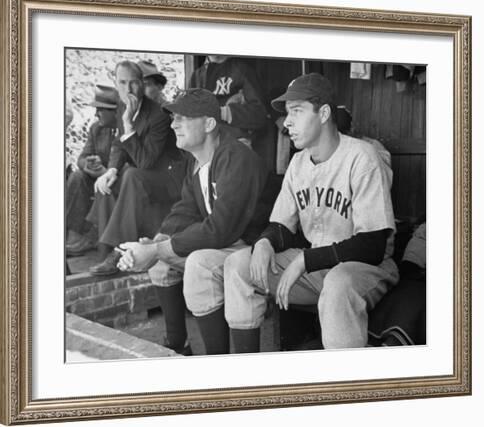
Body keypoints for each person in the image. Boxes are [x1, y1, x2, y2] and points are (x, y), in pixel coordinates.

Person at [223, 73, 399, 352]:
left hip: (365, 269)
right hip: (318, 266)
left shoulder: (363, 157)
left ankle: (345, 387)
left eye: (297, 111)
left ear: (324, 113)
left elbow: (373, 246)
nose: (287, 122)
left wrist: (305, 260)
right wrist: (266, 242)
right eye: (287, 113)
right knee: (238, 265)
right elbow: (281, 225)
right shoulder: (298, 162)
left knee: (338, 284)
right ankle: (246, 373)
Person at [117, 89, 275, 355]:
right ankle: (178, 346)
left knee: (197, 263)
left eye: (183, 118)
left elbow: (220, 229)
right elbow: (185, 210)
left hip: (259, 247)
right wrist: (154, 243)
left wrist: (157, 250)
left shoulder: (236, 156)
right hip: (230, 243)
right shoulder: (197, 161)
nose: (173, 123)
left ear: (209, 123)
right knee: (160, 264)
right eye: (173, 118)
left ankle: (222, 364)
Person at [87, 60, 187, 273]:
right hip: (146, 177)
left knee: (131, 173)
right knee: (108, 183)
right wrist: (111, 170)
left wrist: (128, 124)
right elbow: (118, 144)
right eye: (122, 83)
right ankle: (107, 252)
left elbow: (146, 161)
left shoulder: (159, 114)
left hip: (169, 180)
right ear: (116, 83)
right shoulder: (124, 104)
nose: (128, 89)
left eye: (133, 83)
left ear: (141, 84)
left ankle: (120, 252)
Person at [66, 85, 118, 253]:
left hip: (117, 180)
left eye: (100, 110)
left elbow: (132, 165)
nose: (96, 114)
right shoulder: (97, 128)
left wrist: (106, 172)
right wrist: (87, 164)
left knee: (104, 185)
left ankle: (94, 236)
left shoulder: (126, 129)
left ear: (114, 111)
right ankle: (74, 235)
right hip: (97, 177)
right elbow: (82, 157)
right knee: (76, 176)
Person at [188, 55, 268, 145]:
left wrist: (223, 112)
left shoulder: (242, 69)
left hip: (236, 143)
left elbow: (260, 115)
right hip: (205, 145)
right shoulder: (196, 76)